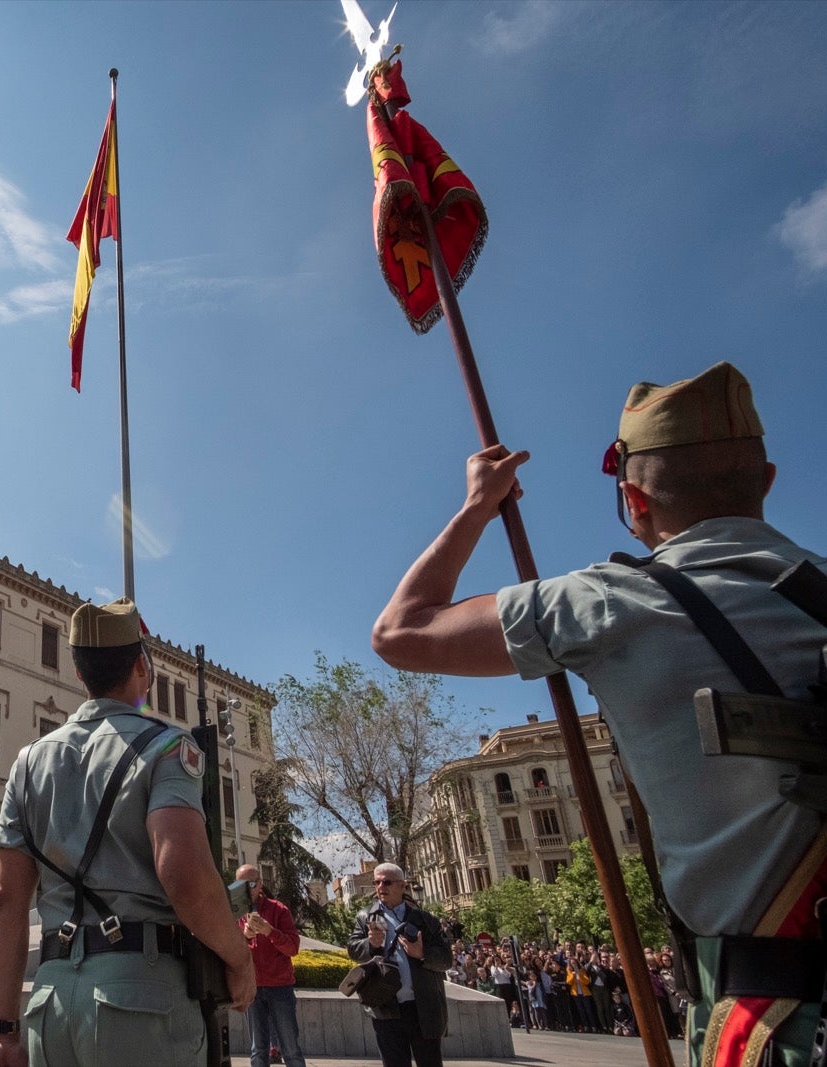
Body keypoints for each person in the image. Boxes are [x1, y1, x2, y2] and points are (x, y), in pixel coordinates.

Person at [372, 361, 827, 1065]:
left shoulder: (613, 604)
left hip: (775, 1023)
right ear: (765, 480)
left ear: (634, 501)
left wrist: (479, 506)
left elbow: (400, 630)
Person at [0, 597, 254, 1067]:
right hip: (141, 1001)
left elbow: (7, 902)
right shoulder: (167, 747)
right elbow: (184, 874)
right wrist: (239, 958)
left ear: (78, 673)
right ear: (141, 668)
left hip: (50, 1006)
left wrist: (5, 1031)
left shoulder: (27, 764)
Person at [347, 863, 450, 1067]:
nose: (380, 887)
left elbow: (446, 959)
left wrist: (422, 954)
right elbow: (353, 948)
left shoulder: (424, 920)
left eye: (387, 882)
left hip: (423, 1007)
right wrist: (371, 944)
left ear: (402, 886)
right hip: (386, 1006)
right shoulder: (366, 917)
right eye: (376, 882)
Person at [235, 862, 307, 1067]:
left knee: (291, 1049)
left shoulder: (278, 910)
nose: (246, 890)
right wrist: (244, 936)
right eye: (239, 885)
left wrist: (270, 932)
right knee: (258, 1050)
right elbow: (230, 949)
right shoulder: (234, 912)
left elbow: (293, 948)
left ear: (260, 884)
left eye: (250, 884)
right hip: (252, 988)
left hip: (279, 988)